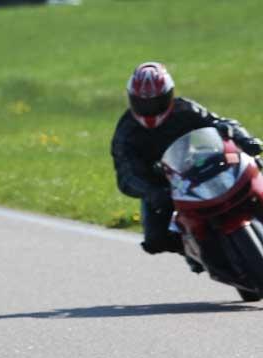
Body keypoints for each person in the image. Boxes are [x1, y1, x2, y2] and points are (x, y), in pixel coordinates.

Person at [111, 61, 263, 256]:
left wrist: (244, 138)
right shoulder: (126, 132)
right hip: (162, 187)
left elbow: (220, 123)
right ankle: (200, 254)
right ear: (132, 99)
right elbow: (126, 176)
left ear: (169, 95)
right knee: (155, 240)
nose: (150, 107)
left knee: (251, 169)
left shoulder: (186, 109)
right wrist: (151, 192)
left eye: (157, 101)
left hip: (199, 167)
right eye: (143, 102)